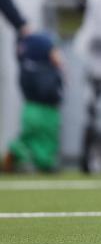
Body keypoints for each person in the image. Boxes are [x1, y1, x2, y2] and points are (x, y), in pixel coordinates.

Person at [2, 32, 64, 173]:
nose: (58, 55)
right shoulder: (45, 71)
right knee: (46, 138)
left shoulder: (27, 68)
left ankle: (16, 152)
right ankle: (44, 162)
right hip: (45, 111)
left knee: (29, 136)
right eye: (54, 50)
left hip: (29, 109)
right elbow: (51, 92)